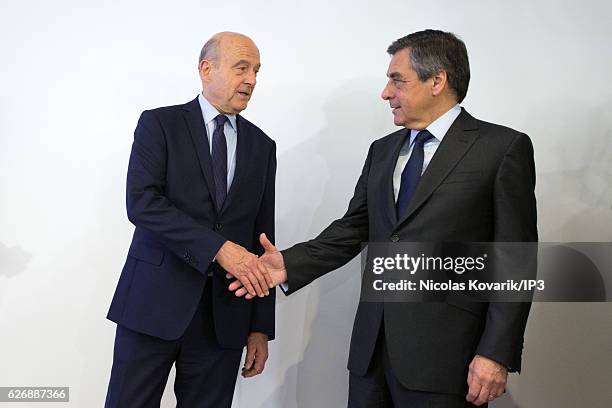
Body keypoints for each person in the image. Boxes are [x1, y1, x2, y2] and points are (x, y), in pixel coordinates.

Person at [231, 29, 537, 407]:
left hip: (448, 360)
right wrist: (288, 265)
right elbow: (353, 228)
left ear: (437, 81)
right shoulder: (383, 150)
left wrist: (496, 353)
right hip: (371, 355)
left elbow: (515, 260)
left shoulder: (501, 148)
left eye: (397, 80)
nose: (386, 93)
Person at [105, 32, 277, 408]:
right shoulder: (159, 124)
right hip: (153, 304)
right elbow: (142, 203)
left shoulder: (263, 146)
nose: (251, 80)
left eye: (256, 71)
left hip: (225, 318)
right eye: (242, 68)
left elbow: (263, 239)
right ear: (206, 69)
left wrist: (260, 326)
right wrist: (218, 249)